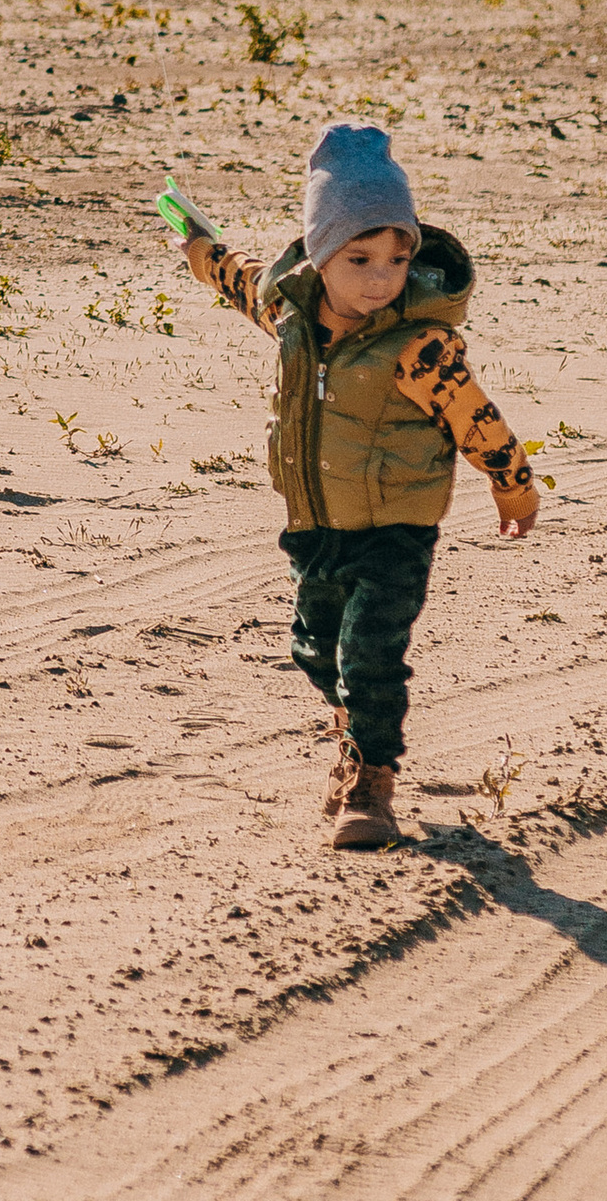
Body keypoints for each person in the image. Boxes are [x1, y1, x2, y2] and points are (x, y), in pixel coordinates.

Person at [172, 121, 540, 849]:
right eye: (360, 259)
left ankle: (372, 783)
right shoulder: (291, 313)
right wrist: (200, 247)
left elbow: (478, 421)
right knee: (315, 650)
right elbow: (241, 280)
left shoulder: (419, 344)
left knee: (370, 654)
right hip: (316, 523)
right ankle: (350, 731)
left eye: (398, 260)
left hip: (396, 529)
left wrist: (514, 488)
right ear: (319, 254)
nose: (381, 278)